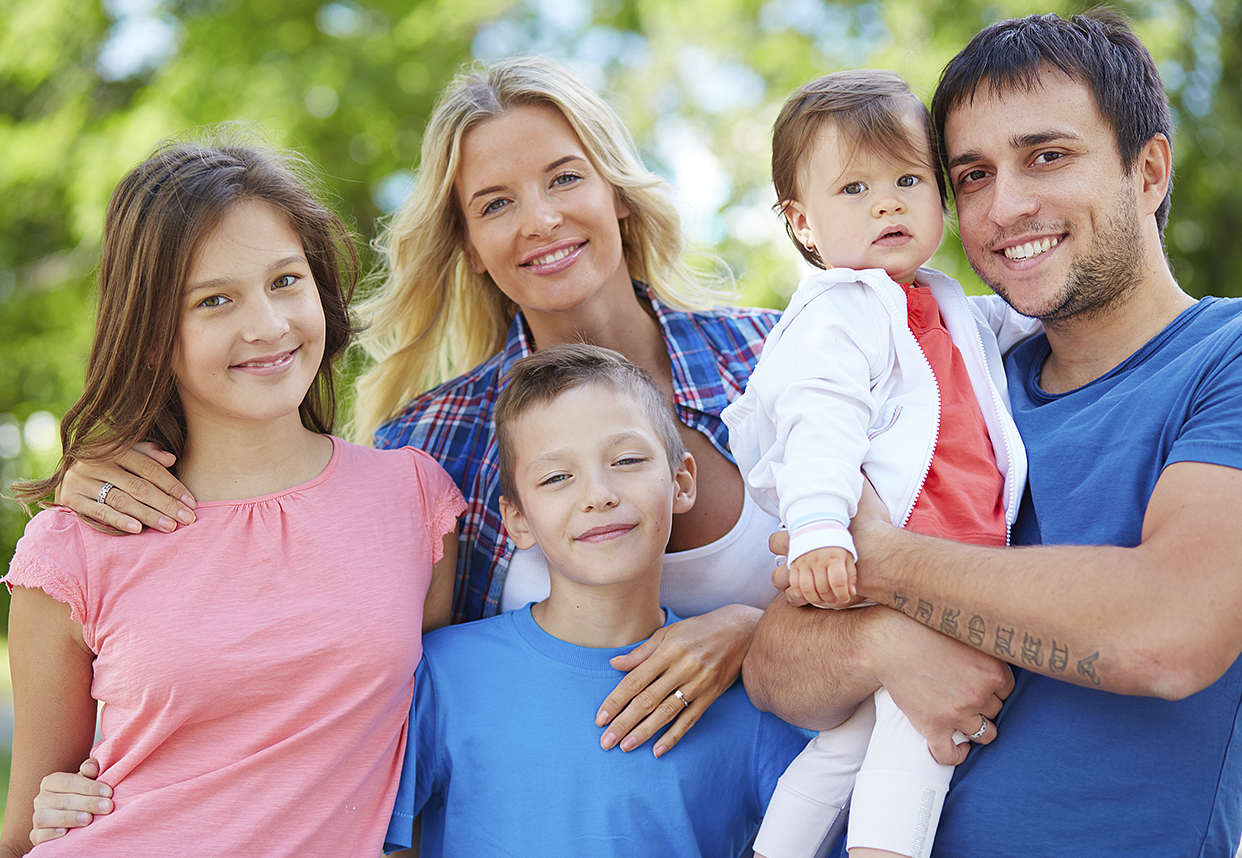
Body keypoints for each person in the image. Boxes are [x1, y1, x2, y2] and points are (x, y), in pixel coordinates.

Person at [47, 55, 784, 765]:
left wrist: (753, 631)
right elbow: (298, 541)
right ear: (466, 244)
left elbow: (892, 553)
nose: (541, 219)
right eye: (496, 203)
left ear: (617, 192)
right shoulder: (436, 445)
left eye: (565, 177)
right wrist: (103, 472)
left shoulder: (773, 358)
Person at [742, 11, 1242, 857]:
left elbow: (1170, 633)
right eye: (971, 174)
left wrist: (888, 561)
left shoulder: (1221, 359)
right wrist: (880, 643)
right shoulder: (945, 380)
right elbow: (776, 666)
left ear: (1149, 169)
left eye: (1047, 155)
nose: (1006, 205)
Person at [1, 139, 464, 857]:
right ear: (152, 334)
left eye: (285, 281)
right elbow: (21, 829)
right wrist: (46, 812)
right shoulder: (74, 546)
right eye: (215, 300)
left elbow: (432, 745)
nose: (268, 326)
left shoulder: (414, 500)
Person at [722, 70, 1033, 858]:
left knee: (845, 747)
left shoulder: (936, 297)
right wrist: (822, 526)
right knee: (917, 741)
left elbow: (1008, 329)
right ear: (803, 223)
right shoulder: (840, 308)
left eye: (907, 180)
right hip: (900, 559)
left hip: (939, 551)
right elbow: (818, 420)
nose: (887, 203)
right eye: (854, 188)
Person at [383, 342, 807, 856]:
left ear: (681, 482)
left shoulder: (752, 699)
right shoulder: (443, 676)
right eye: (557, 476)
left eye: (626, 460)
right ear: (517, 519)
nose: (598, 493)